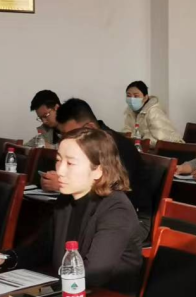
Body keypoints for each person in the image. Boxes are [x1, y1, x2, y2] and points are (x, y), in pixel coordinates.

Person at [0, 127, 144, 296]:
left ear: (98, 170)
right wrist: (4, 258)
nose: (60, 171)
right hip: (70, 292)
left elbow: (94, 273)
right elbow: (41, 248)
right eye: (58, 160)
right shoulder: (66, 199)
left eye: (70, 163)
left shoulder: (116, 210)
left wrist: (43, 291)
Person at [45, 98, 153, 236]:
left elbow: (112, 189)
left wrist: (61, 183)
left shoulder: (116, 146)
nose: (68, 139)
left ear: (89, 127)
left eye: (73, 134)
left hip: (131, 218)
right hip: (92, 208)